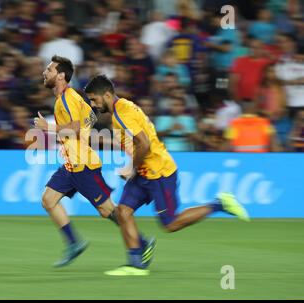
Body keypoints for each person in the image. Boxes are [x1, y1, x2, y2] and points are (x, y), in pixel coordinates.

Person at [84, 75, 249, 276]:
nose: (93, 104)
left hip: (158, 171)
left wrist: (130, 168)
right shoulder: (123, 107)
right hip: (144, 171)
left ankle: (220, 204)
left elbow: (144, 144)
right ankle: (135, 264)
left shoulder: (122, 114)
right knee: (123, 211)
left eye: (94, 99)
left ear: (107, 95)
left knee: (170, 224)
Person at [33, 55, 155, 267]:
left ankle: (142, 241)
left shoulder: (67, 98)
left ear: (61, 76)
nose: (45, 72)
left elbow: (77, 126)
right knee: (48, 199)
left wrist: (49, 128)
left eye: (49, 70)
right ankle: (74, 243)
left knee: (108, 210)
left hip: (83, 165)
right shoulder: (71, 98)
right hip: (71, 164)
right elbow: (90, 116)